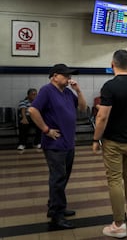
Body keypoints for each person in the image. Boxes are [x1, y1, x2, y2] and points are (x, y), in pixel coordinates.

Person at [92, 49, 127, 239]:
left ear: (112, 65)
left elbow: (102, 116)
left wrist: (95, 139)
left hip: (113, 142)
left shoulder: (109, 86)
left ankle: (118, 224)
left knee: (115, 179)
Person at [29, 64, 87, 229]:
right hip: (55, 145)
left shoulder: (68, 92)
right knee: (58, 179)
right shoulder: (47, 91)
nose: (69, 78)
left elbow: (83, 108)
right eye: (66, 75)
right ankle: (57, 216)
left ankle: (54, 206)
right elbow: (33, 110)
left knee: (62, 178)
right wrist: (46, 130)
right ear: (55, 76)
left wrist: (79, 91)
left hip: (68, 143)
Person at [17, 88, 41, 153]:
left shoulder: (38, 102)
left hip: (35, 118)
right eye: (33, 94)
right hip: (27, 117)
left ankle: (37, 143)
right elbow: (23, 110)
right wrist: (24, 118)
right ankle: (22, 144)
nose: (35, 96)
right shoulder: (23, 101)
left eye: (36, 94)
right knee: (23, 125)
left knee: (41, 125)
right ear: (28, 95)